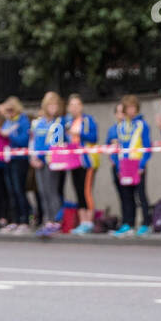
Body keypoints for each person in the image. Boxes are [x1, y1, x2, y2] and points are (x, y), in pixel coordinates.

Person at [107, 95, 151, 235]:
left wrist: (142, 165)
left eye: (133, 107)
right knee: (126, 196)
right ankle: (128, 223)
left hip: (137, 164)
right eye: (128, 108)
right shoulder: (119, 127)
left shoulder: (142, 125)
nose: (131, 110)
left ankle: (146, 224)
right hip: (124, 166)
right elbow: (115, 149)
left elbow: (147, 147)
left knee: (141, 195)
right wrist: (118, 167)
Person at [29, 91, 65, 235]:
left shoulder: (59, 122)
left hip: (52, 161)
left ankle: (56, 220)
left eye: (55, 105)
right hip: (38, 160)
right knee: (42, 191)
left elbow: (58, 143)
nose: (53, 107)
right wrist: (33, 158)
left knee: (52, 191)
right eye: (50, 104)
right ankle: (47, 219)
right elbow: (32, 141)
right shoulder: (38, 123)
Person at [63, 94, 98, 233]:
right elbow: (63, 139)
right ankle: (82, 220)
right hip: (73, 160)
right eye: (72, 105)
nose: (74, 108)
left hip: (86, 161)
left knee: (86, 191)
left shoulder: (88, 120)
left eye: (77, 105)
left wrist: (79, 133)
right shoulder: (67, 121)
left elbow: (94, 137)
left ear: (81, 106)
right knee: (77, 190)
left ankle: (89, 221)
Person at [0, 97, 31, 230]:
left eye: (12, 110)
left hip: (20, 159)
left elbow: (24, 141)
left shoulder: (23, 121)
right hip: (8, 158)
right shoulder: (7, 122)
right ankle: (15, 219)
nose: (10, 113)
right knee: (11, 190)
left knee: (19, 189)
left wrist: (9, 135)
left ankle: (25, 219)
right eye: (8, 111)